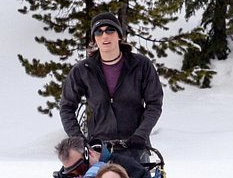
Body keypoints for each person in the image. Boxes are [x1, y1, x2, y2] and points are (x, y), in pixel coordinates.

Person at [58, 12, 163, 163]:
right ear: (94, 39)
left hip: (135, 148)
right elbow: (66, 107)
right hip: (99, 150)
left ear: (119, 35)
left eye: (110, 30)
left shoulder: (141, 65)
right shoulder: (83, 70)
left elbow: (154, 103)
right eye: (99, 32)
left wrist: (142, 134)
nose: (104, 36)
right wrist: (79, 140)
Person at [50, 135, 152, 178]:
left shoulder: (121, 164)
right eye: (72, 173)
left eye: (81, 168)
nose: (79, 175)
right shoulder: (69, 171)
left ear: (90, 153)